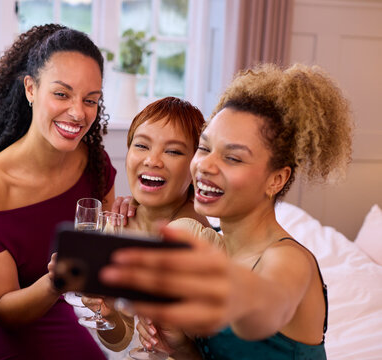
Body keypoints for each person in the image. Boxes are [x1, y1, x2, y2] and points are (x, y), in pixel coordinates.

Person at [99, 63, 353, 360]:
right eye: (205, 149)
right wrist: (180, 346)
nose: (205, 166)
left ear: (276, 179)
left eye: (233, 157)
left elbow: (270, 305)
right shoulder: (213, 241)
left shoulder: (289, 261)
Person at [0, 24, 116, 359]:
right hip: (8, 324)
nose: (78, 113)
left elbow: (101, 256)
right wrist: (54, 282)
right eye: (62, 94)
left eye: (90, 100)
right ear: (30, 89)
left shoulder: (94, 163)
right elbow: (5, 309)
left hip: (65, 309)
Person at [82, 97, 217, 354]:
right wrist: (107, 314)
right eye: (142, 145)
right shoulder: (118, 227)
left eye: (173, 151)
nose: (152, 160)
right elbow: (120, 340)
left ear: (195, 166)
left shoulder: (196, 237)